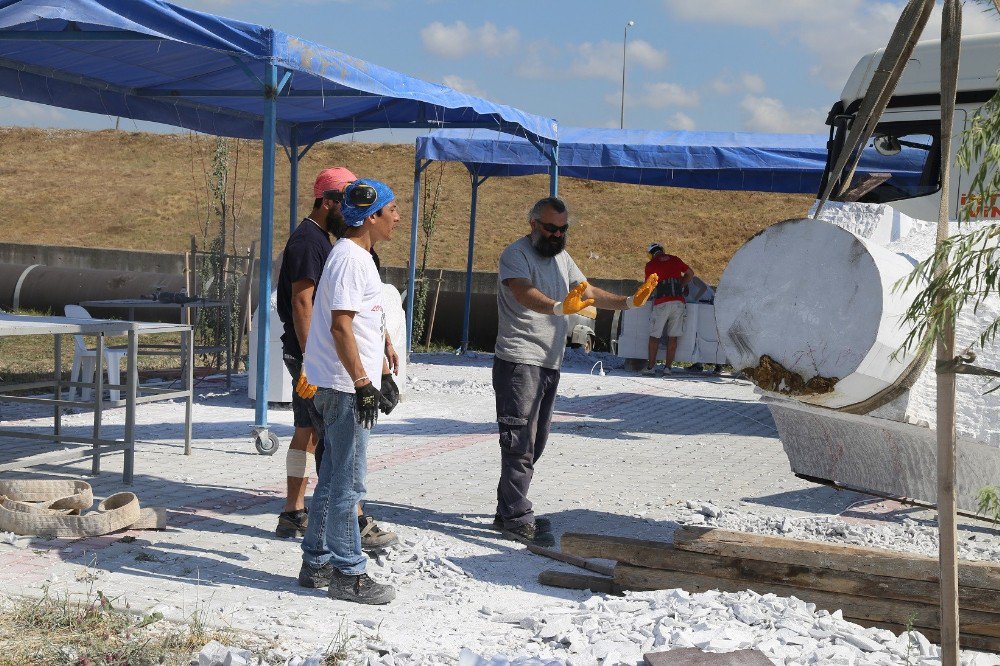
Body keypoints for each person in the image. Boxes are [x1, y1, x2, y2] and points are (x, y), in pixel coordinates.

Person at [493, 196, 657, 546]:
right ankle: (516, 517)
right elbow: (524, 293)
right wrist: (556, 306)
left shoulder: (562, 259)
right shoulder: (515, 255)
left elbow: (588, 291)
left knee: (536, 441)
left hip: (550, 362)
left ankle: (507, 508)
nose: (556, 235)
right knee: (519, 440)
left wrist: (629, 302)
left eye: (563, 229)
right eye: (550, 228)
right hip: (519, 360)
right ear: (533, 223)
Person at [274, 167, 396, 552]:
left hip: (329, 363)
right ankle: (339, 537)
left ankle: (306, 531)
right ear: (327, 201)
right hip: (323, 364)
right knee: (331, 456)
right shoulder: (312, 243)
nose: (348, 204)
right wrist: (316, 363)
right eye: (344, 197)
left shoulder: (334, 245)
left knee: (316, 440)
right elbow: (304, 304)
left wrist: (382, 352)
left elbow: (362, 312)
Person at [298, 179, 401, 604]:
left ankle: (316, 562)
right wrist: (362, 383)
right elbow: (340, 325)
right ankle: (348, 573)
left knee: (334, 479)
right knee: (348, 486)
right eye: (392, 210)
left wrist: (381, 372)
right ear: (371, 217)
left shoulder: (358, 257)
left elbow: (361, 325)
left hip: (345, 384)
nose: (397, 218)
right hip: (343, 389)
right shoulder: (349, 260)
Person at [642, 242, 694, 376]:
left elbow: (648, 286)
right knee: (673, 337)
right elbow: (690, 273)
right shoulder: (675, 259)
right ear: (662, 250)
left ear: (651, 254)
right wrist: (681, 284)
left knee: (654, 336)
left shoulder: (651, 265)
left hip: (661, 302)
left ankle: (651, 368)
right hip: (678, 302)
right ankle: (668, 368)